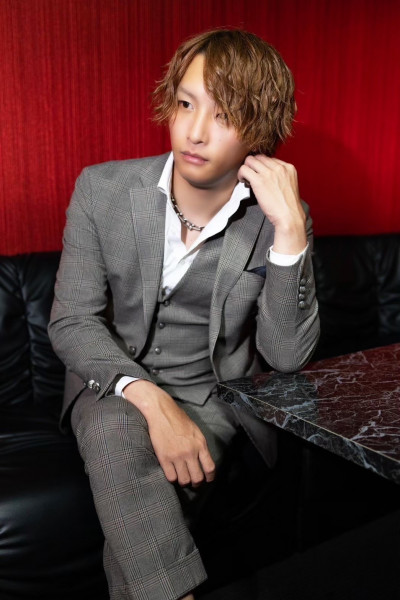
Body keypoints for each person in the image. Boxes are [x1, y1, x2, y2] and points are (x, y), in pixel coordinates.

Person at [49, 28, 319, 600]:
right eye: (186, 103)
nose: (194, 132)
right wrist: (150, 399)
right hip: (108, 383)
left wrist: (291, 230)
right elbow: (72, 320)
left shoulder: (276, 218)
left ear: (259, 131)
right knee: (115, 424)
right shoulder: (102, 189)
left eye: (224, 115)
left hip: (209, 399)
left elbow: (286, 355)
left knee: (131, 498)